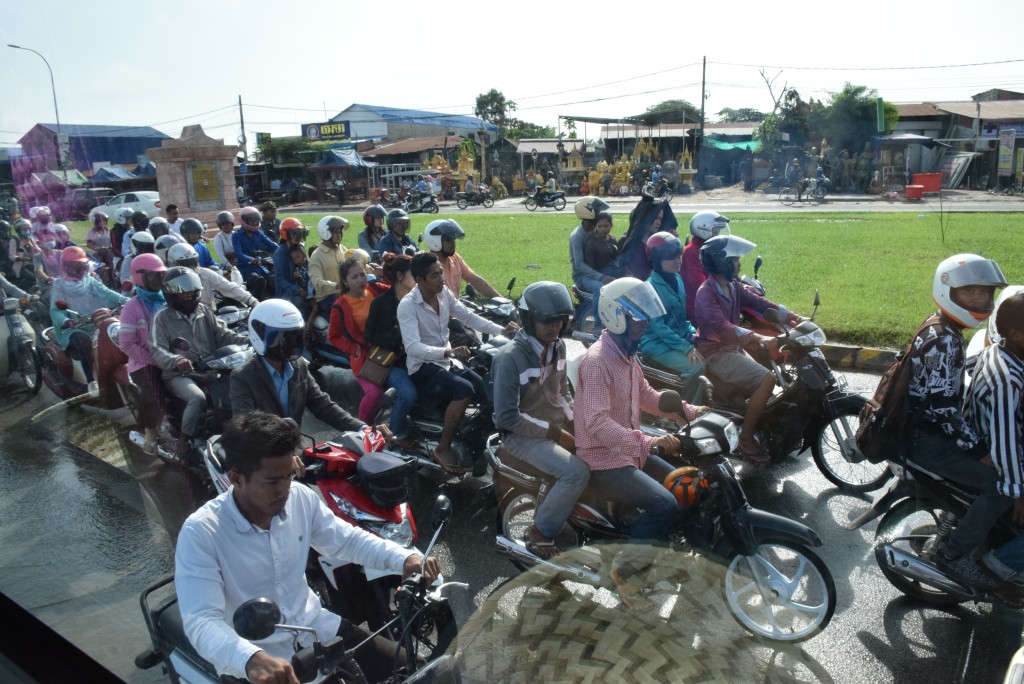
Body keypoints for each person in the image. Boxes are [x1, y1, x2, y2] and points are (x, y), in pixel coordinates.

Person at [174, 411, 434, 683]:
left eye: (288, 476)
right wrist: (249, 658)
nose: (284, 489)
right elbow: (201, 619)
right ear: (236, 478)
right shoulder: (201, 533)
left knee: (420, 671)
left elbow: (346, 540)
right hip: (261, 662)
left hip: (318, 630)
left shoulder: (300, 498)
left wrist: (403, 558)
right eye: (272, 482)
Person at [574, 277, 703, 604]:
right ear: (616, 316)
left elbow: (646, 395)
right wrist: (648, 442)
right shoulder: (598, 361)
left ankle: (662, 549)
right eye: (638, 318)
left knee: (688, 481)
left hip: (628, 452)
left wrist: (690, 411)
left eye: (645, 318)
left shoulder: (626, 355)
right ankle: (625, 570)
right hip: (603, 459)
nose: (644, 325)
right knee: (664, 503)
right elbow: (598, 423)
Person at [905, 254, 1009, 591]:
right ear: (948, 289)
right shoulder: (945, 338)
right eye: (971, 292)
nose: (980, 300)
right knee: (1000, 485)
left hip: (930, 429)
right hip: (927, 438)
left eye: (985, 292)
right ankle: (952, 555)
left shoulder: (944, 325)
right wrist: (980, 450)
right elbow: (943, 409)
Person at [492, 281, 588, 558]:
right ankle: (540, 532)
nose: (555, 326)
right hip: (520, 436)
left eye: (560, 320)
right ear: (528, 319)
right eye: (547, 320)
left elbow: (563, 390)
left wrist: (578, 420)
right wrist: (555, 433)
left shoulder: (557, 347)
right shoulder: (509, 358)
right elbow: (507, 417)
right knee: (575, 473)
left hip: (552, 427)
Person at [397, 252, 517, 472]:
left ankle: (477, 439)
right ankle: (443, 448)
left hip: (446, 361)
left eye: (441, 273)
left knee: (486, 390)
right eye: (435, 276)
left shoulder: (443, 294)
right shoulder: (407, 306)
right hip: (422, 366)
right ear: (420, 280)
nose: (442, 279)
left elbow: (469, 317)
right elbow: (413, 347)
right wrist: (447, 351)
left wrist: (503, 331)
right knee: (464, 390)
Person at [694, 235, 806, 464]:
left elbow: (761, 304)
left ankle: (761, 425)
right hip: (715, 353)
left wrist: (794, 317)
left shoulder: (733, 286)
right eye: (735, 260)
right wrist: (755, 336)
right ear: (721, 262)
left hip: (732, 348)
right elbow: (721, 326)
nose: (740, 264)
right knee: (767, 380)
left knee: (776, 372)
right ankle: (745, 439)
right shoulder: (705, 293)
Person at [229, 300, 384, 437]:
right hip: (266, 458)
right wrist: (278, 453)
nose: (288, 344)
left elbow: (323, 405)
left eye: (293, 337)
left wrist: (362, 428)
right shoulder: (242, 377)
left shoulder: (298, 366)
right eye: (281, 338)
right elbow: (247, 429)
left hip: (294, 450)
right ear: (259, 335)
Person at [963, 291, 1024, 604]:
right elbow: (1005, 443)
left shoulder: (1004, 352)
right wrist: (1018, 492)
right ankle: (997, 566)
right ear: (1015, 334)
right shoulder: (1005, 381)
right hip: (997, 457)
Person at [150, 266, 249, 457]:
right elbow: (156, 349)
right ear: (171, 293)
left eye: (193, 290)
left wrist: (251, 340)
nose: (191, 294)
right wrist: (176, 359)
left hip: (211, 367)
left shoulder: (203, 310)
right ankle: (184, 442)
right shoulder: (162, 318)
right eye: (185, 292)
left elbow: (224, 334)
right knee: (197, 398)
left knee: (242, 383)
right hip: (179, 374)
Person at [640, 232, 705, 403]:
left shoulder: (677, 278)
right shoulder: (650, 288)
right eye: (670, 258)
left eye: (679, 256)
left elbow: (681, 316)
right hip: (657, 343)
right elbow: (659, 327)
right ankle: (690, 411)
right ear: (656, 260)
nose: (677, 261)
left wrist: (694, 332)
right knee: (696, 367)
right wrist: (686, 347)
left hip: (677, 338)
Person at [50, 247, 129, 385]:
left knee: (119, 333)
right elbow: (56, 311)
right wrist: (66, 320)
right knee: (83, 342)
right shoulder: (59, 286)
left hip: (96, 322)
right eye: (76, 266)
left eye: (81, 265)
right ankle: (91, 380)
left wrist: (125, 300)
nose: (80, 269)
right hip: (75, 328)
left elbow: (106, 292)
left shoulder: (88, 280)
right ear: (67, 267)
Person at [365, 253, 419, 451]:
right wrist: (399, 342)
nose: (418, 278)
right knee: (407, 394)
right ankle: (395, 435)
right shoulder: (380, 303)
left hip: (419, 359)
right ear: (399, 276)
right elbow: (370, 335)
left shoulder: (418, 301)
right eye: (414, 274)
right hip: (393, 362)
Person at [329, 255, 390, 423]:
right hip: (365, 359)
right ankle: (362, 428)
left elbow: (398, 288)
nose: (360, 280)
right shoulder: (341, 305)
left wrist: (383, 273)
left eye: (362, 274)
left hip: (389, 351)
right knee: (374, 394)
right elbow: (333, 337)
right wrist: (354, 349)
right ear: (345, 280)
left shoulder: (375, 289)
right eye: (354, 277)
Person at [118, 254, 167, 455]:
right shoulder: (132, 307)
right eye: (154, 275)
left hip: (170, 357)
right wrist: (154, 360)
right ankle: (150, 432)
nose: (159, 279)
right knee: (153, 392)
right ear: (141, 277)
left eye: (161, 274)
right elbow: (127, 344)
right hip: (144, 363)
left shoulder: (167, 299)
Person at [166, 242, 258, 312]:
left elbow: (228, 286)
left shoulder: (203, 272)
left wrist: (252, 301)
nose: (190, 267)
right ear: (173, 263)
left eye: (192, 262)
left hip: (210, 316)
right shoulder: (168, 282)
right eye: (185, 264)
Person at [423, 218, 500, 299]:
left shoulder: (455, 258)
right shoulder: (427, 265)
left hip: (456, 308)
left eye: (453, 239)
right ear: (434, 241)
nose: (453, 243)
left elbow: (474, 280)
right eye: (448, 239)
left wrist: (500, 299)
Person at [681, 210, 731, 318]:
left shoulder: (708, 249)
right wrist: (721, 292)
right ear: (703, 230)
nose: (718, 235)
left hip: (712, 301)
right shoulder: (692, 251)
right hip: (699, 307)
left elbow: (721, 273)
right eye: (716, 232)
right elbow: (699, 283)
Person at [616, 197, 677, 281]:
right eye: (656, 218)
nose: (659, 222)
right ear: (647, 218)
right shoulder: (634, 244)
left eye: (660, 219)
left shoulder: (657, 241)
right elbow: (639, 274)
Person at [231, 205, 278, 300]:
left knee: (274, 279)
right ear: (244, 221)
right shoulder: (236, 235)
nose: (255, 222)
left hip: (260, 265)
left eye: (256, 220)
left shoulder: (258, 233)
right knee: (259, 280)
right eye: (251, 220)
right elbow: (239, 254)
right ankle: (254, 303)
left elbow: (271, 244)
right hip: (245, 268)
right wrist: (251, 259)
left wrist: (284, 250)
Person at [309, 215, 349, 317]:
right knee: (348, 308)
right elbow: (317, 283)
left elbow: (353, 263)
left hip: (344, 292)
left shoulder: (342, 248)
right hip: (327, 298)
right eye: (335, 232)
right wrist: (336, 286)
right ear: (325, 232)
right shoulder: (316, 256)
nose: (339, 234)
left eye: (340, 231)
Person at [272, 217, 310, 313]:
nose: (298, 236)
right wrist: (298, 290)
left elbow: (306, 263)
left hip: (303, 285)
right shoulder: (280, 253)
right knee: (300, 302)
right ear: (286, 234)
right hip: (286, 293)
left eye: (299, 233)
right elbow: (280, 280)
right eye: (295, 233)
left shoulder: (300, 247)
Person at [582, 211, 618, 277]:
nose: (603, 229)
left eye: (606, 226)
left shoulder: (613, 240)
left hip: (615, 272)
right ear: (595, 226)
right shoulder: (591, 244)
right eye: (599, 226)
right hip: (601, 276)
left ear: (611, 225)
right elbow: (591, 268)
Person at [32, 226, 62, 303]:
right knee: (56, 300)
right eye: (46, 240)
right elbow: (39, 271)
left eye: (51, 240)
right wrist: (48, 279)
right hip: (48, 286)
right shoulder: (38, 257)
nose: (50, 242)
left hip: (64, 283)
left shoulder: (61, 253)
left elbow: (71, 264)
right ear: (40, 242)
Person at [86, 212, 116, 288]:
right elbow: (89, 243)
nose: (103, 223)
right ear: (96, 222)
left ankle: (113, 283)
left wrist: (111, 249)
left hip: (108, 251)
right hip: (98, 252)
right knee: (99, 266)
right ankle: (101, 283)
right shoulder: (92, 231)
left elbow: (113, 241)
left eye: (104, 221)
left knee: (112, 266)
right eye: (101, 221)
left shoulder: (109, 230)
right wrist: (97, 249)